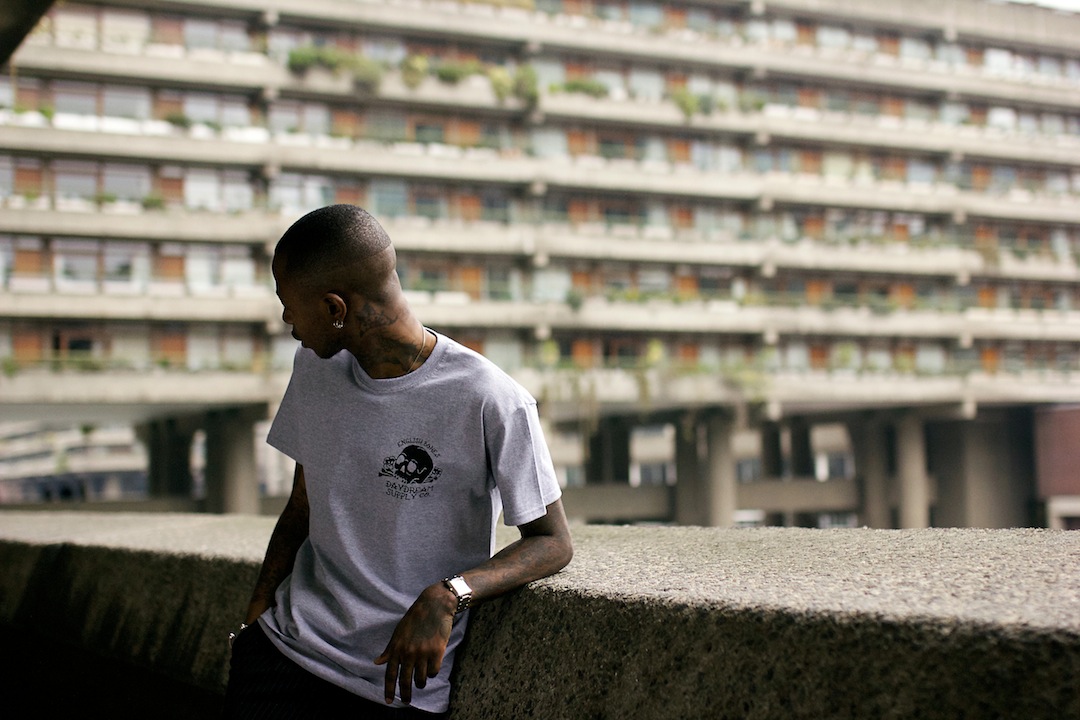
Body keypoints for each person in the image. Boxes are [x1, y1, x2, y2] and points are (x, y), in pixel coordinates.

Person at [223, 204, 574, 719]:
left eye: (289, 305)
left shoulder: (490, 399)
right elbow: (303, 505)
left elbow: (553, 542)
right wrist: (253, 624)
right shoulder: (315, 370)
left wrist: (451, 594)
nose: (287, 321)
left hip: (396, 687)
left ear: (335, 307)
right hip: (283, 658)